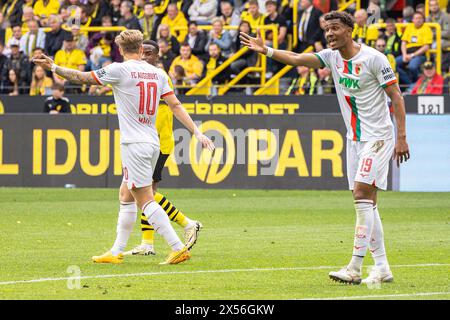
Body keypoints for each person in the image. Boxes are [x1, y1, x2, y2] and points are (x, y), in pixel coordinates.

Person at [240, 10, 410, 284]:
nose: (329, 34)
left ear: (349, 30)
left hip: (378, 137)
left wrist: (401, 137)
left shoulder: (374, 59)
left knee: (360, 195)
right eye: (326, 29)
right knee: (367, 202)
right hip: (354, 139)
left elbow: (397, 97)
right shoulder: (331, 58)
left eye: (334, 28)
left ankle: (354, 267)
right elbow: (296, 58)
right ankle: (382, 267)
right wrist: (267, 50)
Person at [32, 29, 214, 265]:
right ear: (141, 49)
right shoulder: (158, 74)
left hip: (134, 143)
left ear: (120, 49)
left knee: (145, 200)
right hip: (151, 142)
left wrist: (54, 68)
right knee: (125, 194)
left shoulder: (119, 70)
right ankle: (116, 251)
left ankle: (178, 247)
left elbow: (81, 77)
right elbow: (176, 105)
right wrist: (196, 132)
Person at [124, 40, 204, 256]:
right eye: (142, 53)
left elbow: (175, 106)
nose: (145, 57)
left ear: (157, 56)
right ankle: (148, 243)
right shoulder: (142, 76)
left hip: (158, 143)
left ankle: (187, 223)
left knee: (144, 192)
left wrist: (195, 131)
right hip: (148, 142)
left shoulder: (159, 77)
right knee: (145, 192)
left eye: (149, 53)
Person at [396, 12, 432, 87]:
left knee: (412, 66)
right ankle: (410, 83)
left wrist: (412, 55)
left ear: (423, 20)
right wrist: (405, 55)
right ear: (412, 20)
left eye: (420, 18)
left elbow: (426, 47)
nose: (418, 20)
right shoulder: (409, 27)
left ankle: (415, 83)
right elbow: (403, 43)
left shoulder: (427, 29)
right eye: (416, 18)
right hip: (407, 53)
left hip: (419, 54)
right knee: (394, 64)